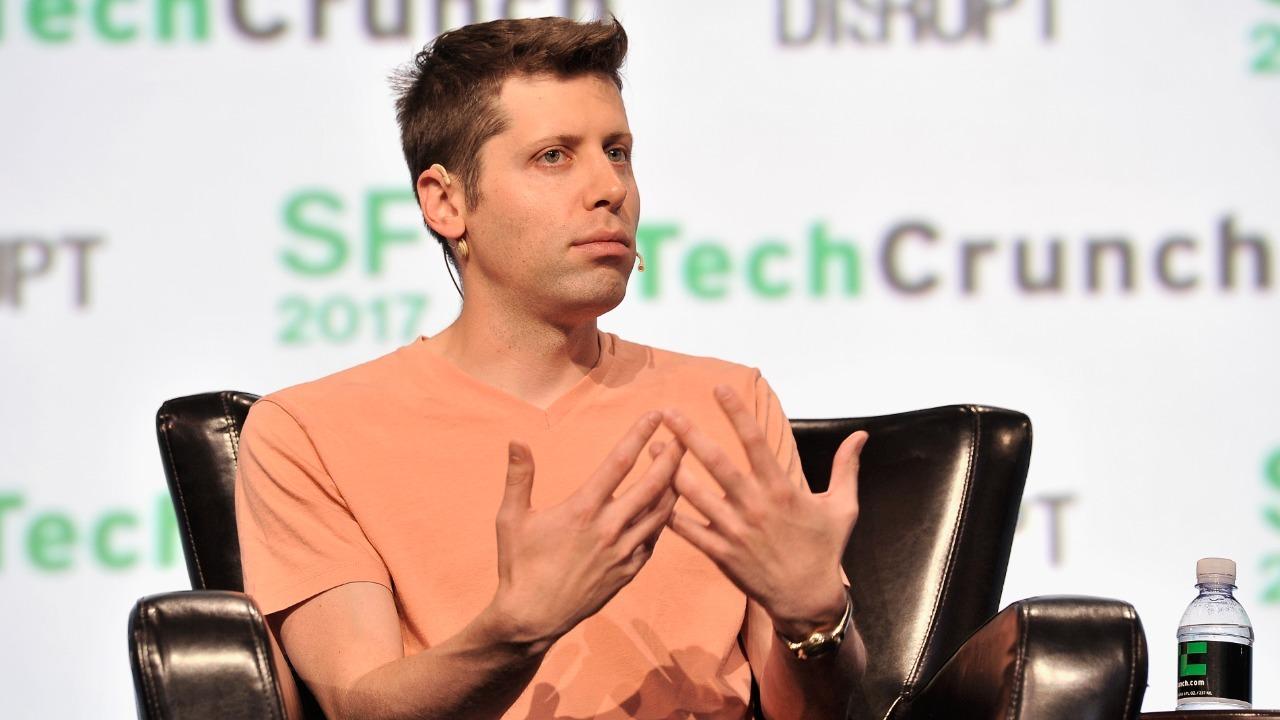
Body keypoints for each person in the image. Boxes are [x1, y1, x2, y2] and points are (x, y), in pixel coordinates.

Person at [235, 15, 868, 720]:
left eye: (618, 152)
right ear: (445, 202)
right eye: (554, 157)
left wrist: (816, 621)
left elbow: (807, 712)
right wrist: (515, 632)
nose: (609, 188)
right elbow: (361, 707)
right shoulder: (310, 431)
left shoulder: (728, 401)